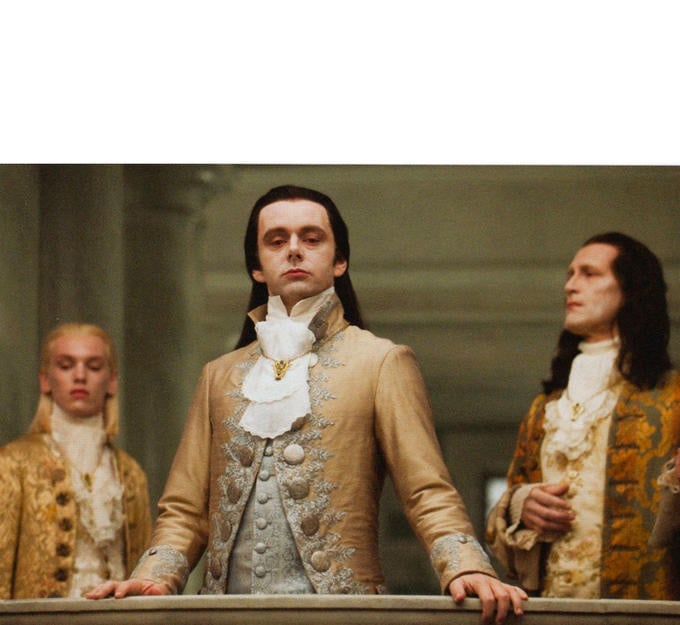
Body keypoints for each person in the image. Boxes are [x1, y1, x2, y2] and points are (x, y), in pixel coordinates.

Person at [88, 185, 526, 623]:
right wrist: (155, 578)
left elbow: (426, 490)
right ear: (257, 267)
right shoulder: (218, 375)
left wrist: (466, 566)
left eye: (311, 238)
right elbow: (185, 510)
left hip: (342, 615)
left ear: (339, 261)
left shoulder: (381, 362)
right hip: (227, 615)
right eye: (276, 240)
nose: (294, 249)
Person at [486, 232, 680, 600]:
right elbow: (502, 516)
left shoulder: (674, 399)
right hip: (551, 612)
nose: (571, 285)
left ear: (632, 290)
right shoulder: (544, 409)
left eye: (589, 274)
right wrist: (522, 506)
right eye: (571, 274)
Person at [0, 323, 152, 599]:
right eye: (66, 365)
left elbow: (142, 572)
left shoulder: (130, 473)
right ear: (45, 380)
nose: (80, 376)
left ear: (112, 381)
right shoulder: (13, 463)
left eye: (93, 367)